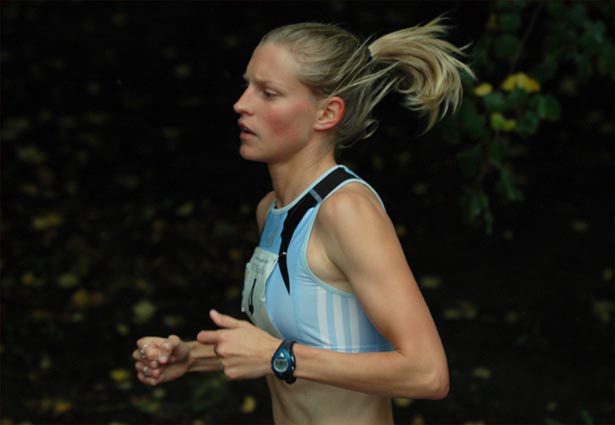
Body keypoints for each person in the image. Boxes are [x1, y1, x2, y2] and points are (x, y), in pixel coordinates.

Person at [133, 17, 472, 425]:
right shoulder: (272, 210)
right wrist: (192, 357)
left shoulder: (346, 211)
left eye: (268, 93)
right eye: (247, 85)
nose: (242, 104)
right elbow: (299, 342)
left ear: (327, 113)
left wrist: (279, 357)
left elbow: (428, 373)